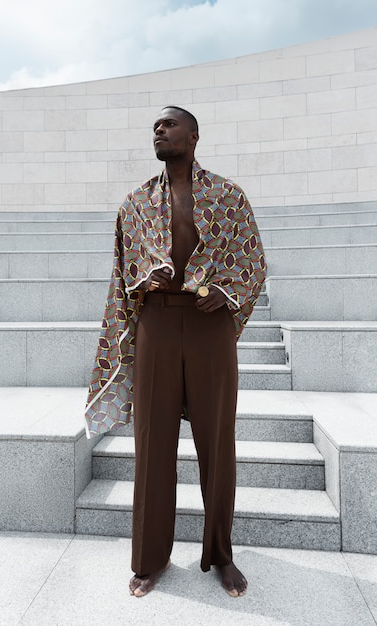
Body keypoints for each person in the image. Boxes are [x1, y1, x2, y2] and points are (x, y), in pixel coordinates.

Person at [85, 106, 266, 598]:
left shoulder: (228, 196)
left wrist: (226, 295)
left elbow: (252, 260)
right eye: (155, 127)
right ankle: (149, 559)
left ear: (194, 135)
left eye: (169, 124)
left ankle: (222, 555)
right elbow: (123, 272)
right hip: (157, 325)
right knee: (152, 443)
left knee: (217, 444)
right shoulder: (136, 203)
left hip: (209, 327)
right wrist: (149, 277)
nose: (159, 130)